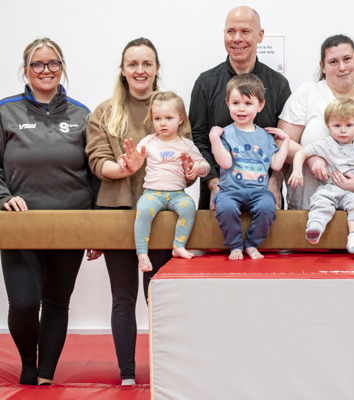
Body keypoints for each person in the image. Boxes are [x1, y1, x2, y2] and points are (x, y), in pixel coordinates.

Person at [0, 38, 100, 385]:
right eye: (37, 64)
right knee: (25, 303)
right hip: (20, 225)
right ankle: (28, 365)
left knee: (57, 302)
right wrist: (2, 197)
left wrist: (95, 228)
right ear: (25, 69)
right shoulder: (5, 110)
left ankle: (45, 374)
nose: (46, 70)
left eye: (53, 63)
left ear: (62, 67)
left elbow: (94, 173)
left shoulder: (81, 114)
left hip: (70, 224)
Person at [85, 37, 176, 386]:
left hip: (161, 213)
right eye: (133, 64)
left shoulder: (170, 107)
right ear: (123, 70)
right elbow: (96, 162)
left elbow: (182, 152)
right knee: (123, 296)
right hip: (120, 210)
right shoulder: (106, 112)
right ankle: (126, 374)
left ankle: (163, 372)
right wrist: (124, 169)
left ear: (156, 69)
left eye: (147, 64)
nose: (140, 71)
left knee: (160, 298)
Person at [278, 34, 354, 210]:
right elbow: (281, 143)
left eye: (347, 59)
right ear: (322, 66)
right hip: (309, 207)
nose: (342, 67)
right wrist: (311, 157)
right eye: (333, 62)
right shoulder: (307, 93)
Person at [190, 6, 291, 210]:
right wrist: (213, 185)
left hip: (265, 198)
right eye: (230, 31)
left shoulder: (278, 84)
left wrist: (275, 184)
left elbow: (284, 142)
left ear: (260, 35)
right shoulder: (206, 83)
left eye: (245, 31)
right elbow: (196, 138)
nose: (237, 38)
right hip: (217, 197)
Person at [118, 91, 210, 271]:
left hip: (177, 195)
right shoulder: (149, 141)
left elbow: (204, 164)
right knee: (143, 210)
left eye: (169, 118)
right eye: (157, 118)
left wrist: (198, 168)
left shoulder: (186, 145)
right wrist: (124, 160)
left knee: (189, 206)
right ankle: (142, 253)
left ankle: (178, 245)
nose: (163, 123)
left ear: (180, 119)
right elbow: (133, 155)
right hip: (153, 194)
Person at [288, 98, 354, 254]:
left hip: (353, 192)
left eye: (348, 125)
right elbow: (301, 153)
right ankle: (315, 227)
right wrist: (297, 171)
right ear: (328, 126)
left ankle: (353, 238)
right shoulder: (325, 144)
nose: (343, 130)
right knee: (320, 199)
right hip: (331, 188)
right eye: (337, 126)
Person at [209, 73, 290, 260]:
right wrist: (214, 139)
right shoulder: (225, 134)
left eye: (248, 103)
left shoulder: (265, 136)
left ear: (260, 105)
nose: (241, 109)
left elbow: (276, 165)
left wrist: (285, 141)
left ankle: (252, 243)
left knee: (268, 207)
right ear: (228, 104)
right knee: (226, 209)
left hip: (258, 191)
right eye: (236, 103)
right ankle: (235, 245)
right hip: (230, 190)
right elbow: (226, 163)